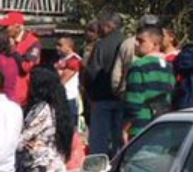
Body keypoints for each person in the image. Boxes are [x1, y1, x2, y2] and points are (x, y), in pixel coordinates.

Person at [123, 26, 176, 140]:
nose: (136, 44)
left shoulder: (139, 66)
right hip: (162, 126)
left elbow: (133, 102)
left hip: (140, 129)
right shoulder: (169, 66)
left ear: (155, 44)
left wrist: (125, 128)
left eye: (141, 41)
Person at [84, 11, 125, 156]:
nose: (99, 29)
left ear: (109, 26)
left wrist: (89, 93)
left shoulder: (101, 45)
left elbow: (92, 72)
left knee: (99, 139)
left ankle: (98, 169)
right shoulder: (128, 42)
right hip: (122, 96)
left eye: (101, 25)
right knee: (119, 136)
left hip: (101, 97)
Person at [0, 11, 40, 106]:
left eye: (7, 26)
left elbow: (26, 67)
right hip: (3, 93)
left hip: (20, 96)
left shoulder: (32, 42)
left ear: (17, 27)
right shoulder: (5, 40)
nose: (4, 29)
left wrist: (13, 50)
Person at [54, 37, 83, 134]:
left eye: (60, 45)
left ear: (69, 46)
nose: (57, 47)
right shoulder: (62, 59)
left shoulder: (74, 60)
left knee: (70, 127)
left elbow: (63, 79)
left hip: (70, 97)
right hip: (61, 96)